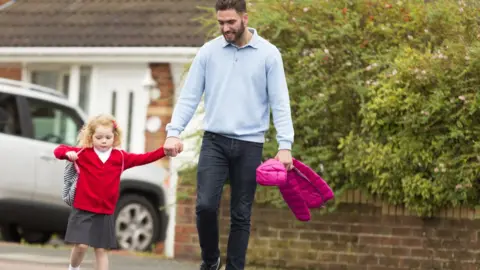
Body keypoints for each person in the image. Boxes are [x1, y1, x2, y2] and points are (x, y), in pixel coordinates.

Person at [163, 0, 295, 269]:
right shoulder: (208, 52)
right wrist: (173, 132)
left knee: (241, 214)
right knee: (205, 206)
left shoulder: (269, 54)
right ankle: (210, 261)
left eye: (230, 22)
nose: (225, 28)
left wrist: (285, 145)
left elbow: (280, 102)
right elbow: (189, 97)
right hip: (215, 141)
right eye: (221, 22)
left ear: (245, 18)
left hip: (250, 144)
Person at [53, 114, 166, 270]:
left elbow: (144, 158)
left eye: (108, 137)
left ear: (114, 137)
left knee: (101, 250)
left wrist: (164, 151)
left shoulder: (120, 157)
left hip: (105, 211)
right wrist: (67, 154)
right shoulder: (84, 154)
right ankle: (73, 268)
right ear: (91, 137)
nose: (104, 141)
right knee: (81, 246)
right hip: (83, 209)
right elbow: (58, 150)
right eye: (99, 137)